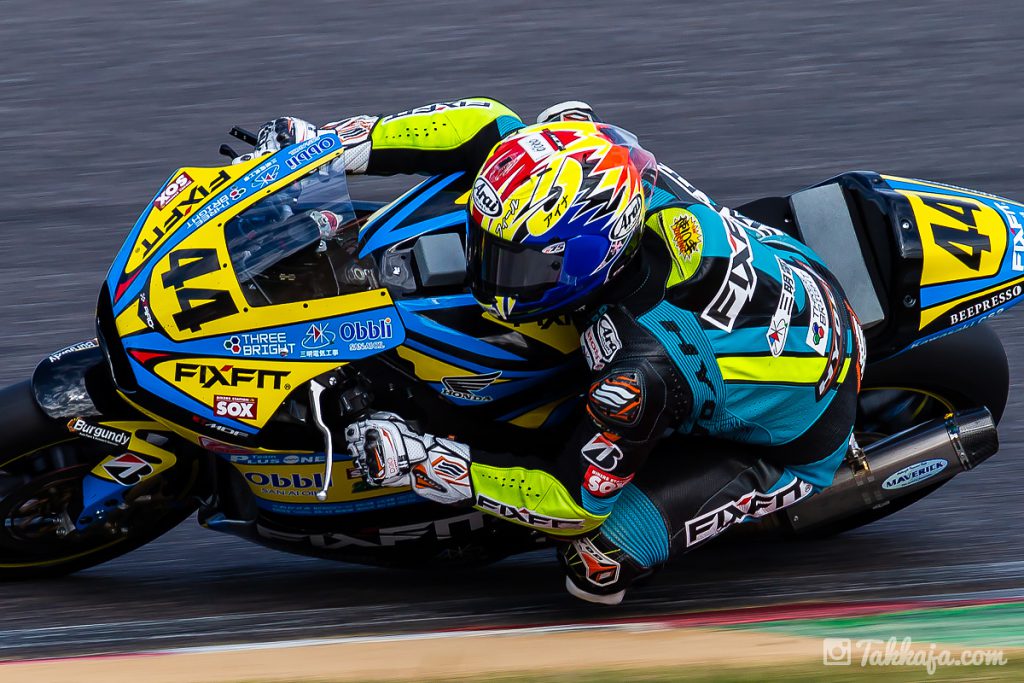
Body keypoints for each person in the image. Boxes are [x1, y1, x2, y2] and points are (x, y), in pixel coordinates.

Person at [250, 99, 865, 604]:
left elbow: (573, 505)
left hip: (801, 424)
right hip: (788, 270)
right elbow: (490, 124)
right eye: (487, 245)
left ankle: (736, 486)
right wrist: (330, 148)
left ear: (591, 259)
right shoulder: (606, 166)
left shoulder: (638, 371)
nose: (487, 270)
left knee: (595, 563)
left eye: (516, 264)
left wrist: (427, 462)